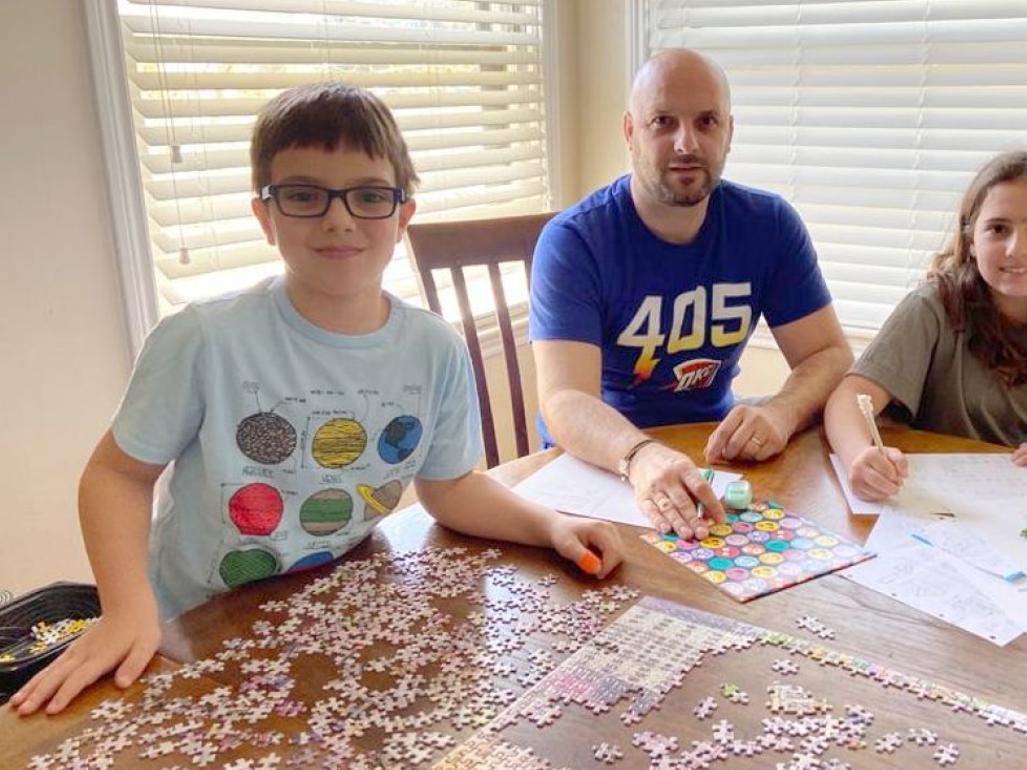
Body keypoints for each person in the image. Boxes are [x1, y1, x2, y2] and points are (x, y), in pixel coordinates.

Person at [11, 82, 622, 716]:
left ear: (402, 215)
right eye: (304, 195)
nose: (339, 218)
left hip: (339, 605)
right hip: (195, 626)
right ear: (265, 215)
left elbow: (451, 488)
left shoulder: (433, 348)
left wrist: (550, 525)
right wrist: (125, 607)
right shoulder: (203, 337)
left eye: (368, 196)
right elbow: (116, 475)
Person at [530, 49, 853, 540]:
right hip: (600, 468)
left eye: (706, 122)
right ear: (630, 132)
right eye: (663, 122)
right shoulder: (574, 241)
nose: (687, 143)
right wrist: (639, 456)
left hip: (714, 456)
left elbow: (828, 354)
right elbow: (565, 397)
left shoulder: (769, 226)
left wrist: (779, 413)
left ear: (729, 131)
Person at [824, 149, 1027, 502]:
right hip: (930, 506)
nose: (1017, 248)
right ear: (971, 239)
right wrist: (859, 457)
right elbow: (848, 399)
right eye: (998, 229)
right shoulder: (932, 308)